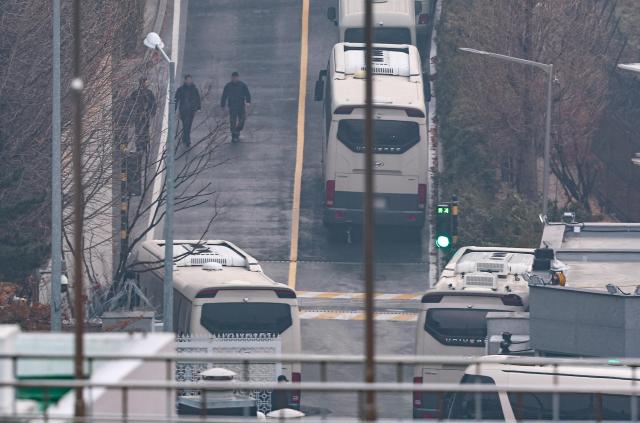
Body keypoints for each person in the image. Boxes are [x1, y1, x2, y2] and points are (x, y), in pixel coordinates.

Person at [220, 71, 251, 142]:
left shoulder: (242, 85)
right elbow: (224, 95)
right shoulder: (228, 86)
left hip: (241, 105)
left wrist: (248, 101)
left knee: (242, 120)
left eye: (236, 77)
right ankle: (234, 135)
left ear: (238, 78)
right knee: (232, 121)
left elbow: (247, 94)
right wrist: (222, 105)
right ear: (231, 78)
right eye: (233, 78)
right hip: (232, 106)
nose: (234, 79)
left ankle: (238, 130)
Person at [129, 77, 157, 154]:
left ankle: (144, 146)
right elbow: (131, 105)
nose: (146, 84)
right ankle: (139, 147)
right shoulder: (135, 93)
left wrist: (152, 112)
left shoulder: (149, 93)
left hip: (145, 116)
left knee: (145, 131)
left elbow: (153, 103)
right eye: (145, 82)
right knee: (138, 132)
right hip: (138, 116)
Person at [174, 74, 201, 147]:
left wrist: (198, 107)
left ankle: (185, 137)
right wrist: (174, 109)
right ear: (185, 80)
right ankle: (187, 139)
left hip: (192, 111)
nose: (189, 81)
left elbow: (198, 98)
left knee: (188, 125)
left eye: (190, 79)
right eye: (188, 79)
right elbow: (176, 99)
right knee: (186, 124)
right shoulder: (181, 89)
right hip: (183, 110)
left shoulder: (194, 89)